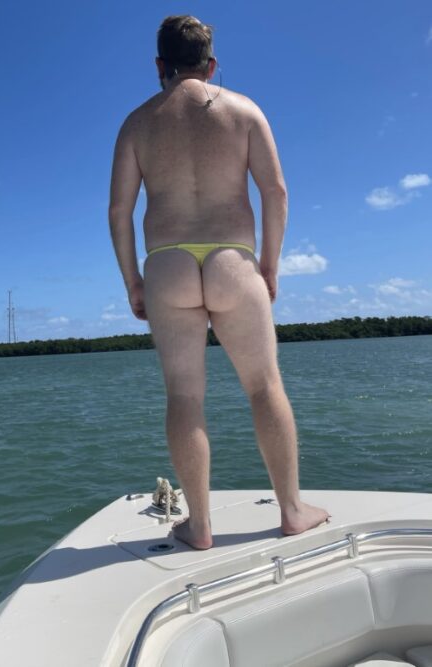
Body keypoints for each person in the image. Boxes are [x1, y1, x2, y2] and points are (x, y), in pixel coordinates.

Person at [109, 14, 330, 550]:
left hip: (167, 264)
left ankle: (200, 524)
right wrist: (269, 265)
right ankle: (292, 510)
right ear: (211, 65)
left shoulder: (137, 123)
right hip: (234, 260)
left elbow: (119, 211)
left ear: (159, 65)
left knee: (184, 396)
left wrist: (133, 280)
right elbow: (275, 192)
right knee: (264, 386)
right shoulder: (245, 111)